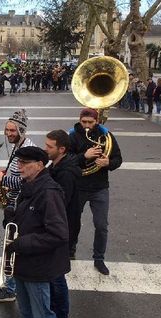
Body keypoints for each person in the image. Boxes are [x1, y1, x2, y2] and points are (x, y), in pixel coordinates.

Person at [0, 146, 78, 318]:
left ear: (39, 165)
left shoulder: (48, 191)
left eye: (24, 163)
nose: (19, 167)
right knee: (28, 314)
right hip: (25, 262)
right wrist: (9, 211)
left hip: (39, 265)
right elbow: (24, 220)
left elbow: (58, 233)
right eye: (19, 162)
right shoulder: (28, 187)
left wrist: (20, 244)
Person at [0, 109, 37, 303]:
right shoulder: (18, 147)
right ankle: (14, 284)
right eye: (6, 130)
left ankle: (10, 288)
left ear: (21, 131)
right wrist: (4, 177)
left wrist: (4, 178)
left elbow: (29, 181)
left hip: (20, 207)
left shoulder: (26, 150)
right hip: (14, 203)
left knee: (12, 245)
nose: (8, 134)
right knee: (12, 245)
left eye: (12, 131)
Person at [69, 108, 122, 275]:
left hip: (100, 187)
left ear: (96, 121)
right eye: (84, 122)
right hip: (78, 186)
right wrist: (85, 155)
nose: (86, 126)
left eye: (90, 123)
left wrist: (108, 163)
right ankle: (70, 249)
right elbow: (67, 161)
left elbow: (118, 158)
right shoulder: (72, 136)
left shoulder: (106, 136)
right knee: (73, 222)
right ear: (79, 120)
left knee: (101, 225)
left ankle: (99, 258)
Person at [45, 130, 81, 318]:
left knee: (57, 277)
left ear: (62, 149)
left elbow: (60, 202)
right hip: (59, 228)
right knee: (53, 276)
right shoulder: (56, 165)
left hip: (62, 230)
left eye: (49, 147)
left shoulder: (66, 172)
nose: (45, 149)